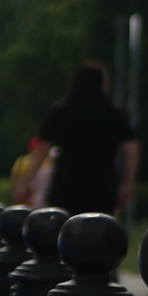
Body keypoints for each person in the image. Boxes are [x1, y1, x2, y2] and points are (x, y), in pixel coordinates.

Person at [36, 62, 138, 216]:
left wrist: (25, 182)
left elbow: (41, 150)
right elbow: (133, 149)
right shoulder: (114, 114)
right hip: (102, 185)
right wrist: (128, 183)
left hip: (66, 184)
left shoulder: (60, 112)